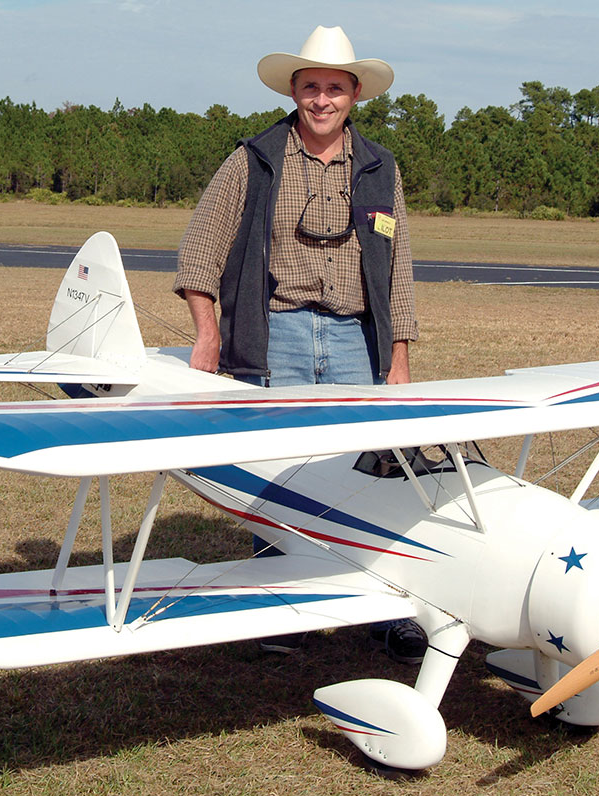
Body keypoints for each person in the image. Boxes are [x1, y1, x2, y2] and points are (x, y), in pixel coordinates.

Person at [173, 25, 426, 663]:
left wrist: (398, 359)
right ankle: (279, 607)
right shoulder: (254, 158)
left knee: (373, 466)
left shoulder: (379, 167)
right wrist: (208, 337)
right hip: (275, 331)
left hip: (353, 337)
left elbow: (397, 267)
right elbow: (202, 247)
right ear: (293, 90)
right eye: (310, 86)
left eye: (334, 88)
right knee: (279, 468)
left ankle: (383, 604)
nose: (321, 99)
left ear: (355, 95)